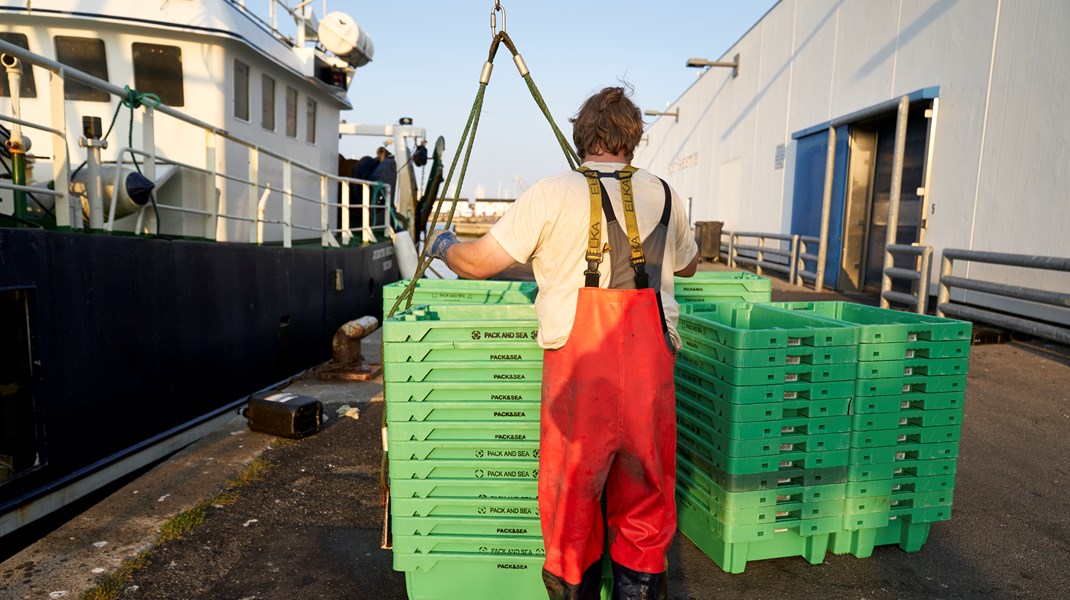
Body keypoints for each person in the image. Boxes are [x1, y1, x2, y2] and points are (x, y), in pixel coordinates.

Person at [425, 86, 698, 600]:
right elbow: (687, 263)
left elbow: (478, 263)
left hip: (579, 372)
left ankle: (574, 588)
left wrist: (441, 243)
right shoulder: (665, 192)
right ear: (632, 138)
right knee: (646, 494)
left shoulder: (551, 192)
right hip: (650, 373)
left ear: (582, 134)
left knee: (572, 497)